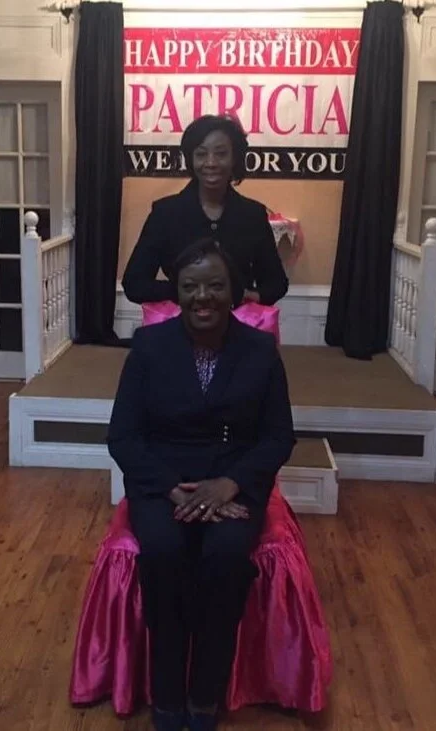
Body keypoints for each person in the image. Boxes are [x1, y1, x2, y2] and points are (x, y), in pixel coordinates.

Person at [107, 238, 295, 731]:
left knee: (227, 556)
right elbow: (123, 436)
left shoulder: (259, 350)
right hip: (162, 480)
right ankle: (168, 691)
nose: (202, 297)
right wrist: (173, 488)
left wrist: (230, 484)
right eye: (190, 287)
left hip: (234, 481)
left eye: (215, 285)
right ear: (178, 292)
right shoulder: (148, 346)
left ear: (233, 292)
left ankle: (206, 693)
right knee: (163, 552)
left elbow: (279, 436)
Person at [122, 114, 289, 307]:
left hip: (237, 322)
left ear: (234, 158)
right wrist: (184, 291)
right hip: (182, 321)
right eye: (201, 154)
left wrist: (249, 296)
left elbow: (276, 283)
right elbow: (134, 284)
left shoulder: (253, 215)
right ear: (191, 159)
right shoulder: (165, 213)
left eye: (221, 154)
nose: (211, 163)